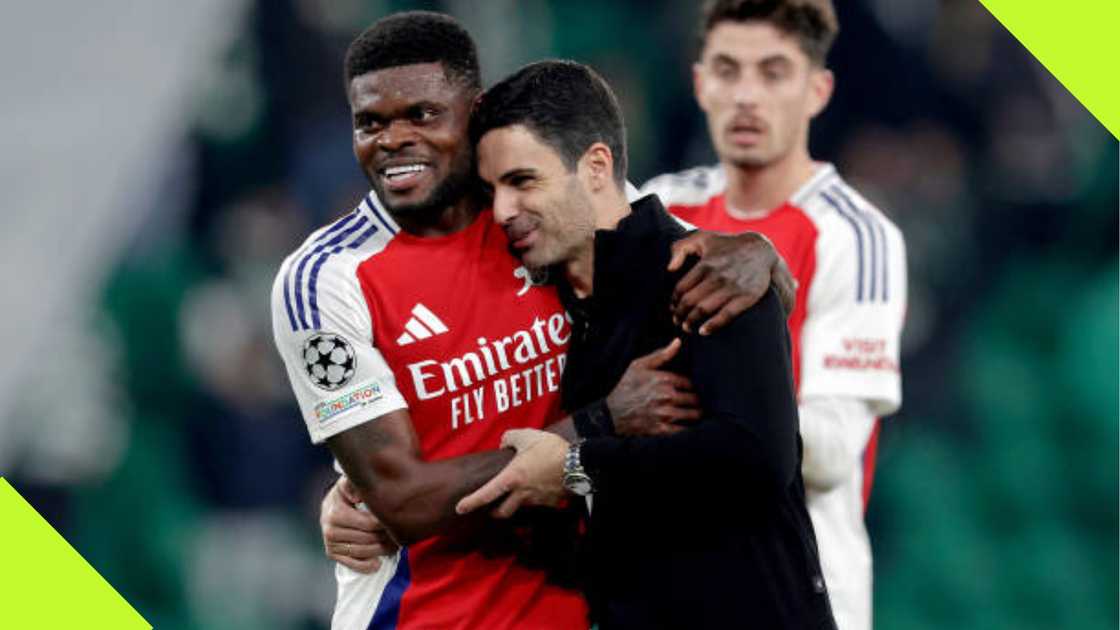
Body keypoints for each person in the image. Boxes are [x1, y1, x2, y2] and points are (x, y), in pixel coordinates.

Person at [271, 11, 793, 630]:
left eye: (423, 115)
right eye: (370, 123)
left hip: (578, 608)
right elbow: (402, 501)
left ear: (475, 110)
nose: (394, 140)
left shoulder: (538, 216)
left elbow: (678, 255)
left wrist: (760, 255)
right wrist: (596, 425)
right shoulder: (327, 279)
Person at [457, 59, 836, 630]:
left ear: (596, 166)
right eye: (492, 191)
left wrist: (579, 465)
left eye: (522, 181)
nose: (502, 211)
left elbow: (757, 458)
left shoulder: (711, 276)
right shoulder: (550, 310)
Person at [638, 2, 908, 628]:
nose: (746, 96)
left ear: (818, 91)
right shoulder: (659, 207)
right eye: (727, 70)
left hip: (797, 594)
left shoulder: (857, 235)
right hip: (671, 588)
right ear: (700, 83)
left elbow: (832, 451)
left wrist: (697, 410)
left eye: (773, 72)